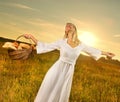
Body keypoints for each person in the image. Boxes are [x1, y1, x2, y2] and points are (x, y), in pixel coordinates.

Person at [24, 23, 115, 102]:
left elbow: (93, 50)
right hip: (57, 69)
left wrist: (106, 53)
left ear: (75, 30)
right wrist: (31, 37)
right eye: (67, 26)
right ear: (65, 31)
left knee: (61, 93)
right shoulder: (61, 42)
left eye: (71, 25)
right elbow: (46, 46)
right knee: (48, 89)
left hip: (68, 72)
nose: (68, 25)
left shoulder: (80, 44)